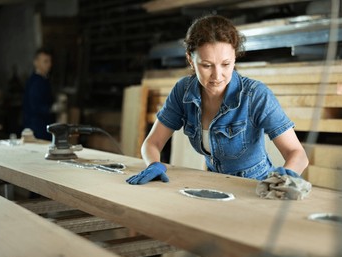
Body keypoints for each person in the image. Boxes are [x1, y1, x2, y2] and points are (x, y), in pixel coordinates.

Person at [127, 15, 309, 185]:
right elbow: (153, 143)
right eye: (206, 65)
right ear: (190, 60)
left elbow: (297, 154)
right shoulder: (183, 91)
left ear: (235, 57)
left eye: (226, 64)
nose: (217, 75)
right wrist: (154, 164)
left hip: (255, 187)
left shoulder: (256, 95)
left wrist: (284, 180)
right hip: (214, 184)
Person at [22, 47, 55, 140]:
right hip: (37, 128)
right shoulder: (36, 82)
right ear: (36, 62)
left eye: (50, 61)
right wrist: (52, 108)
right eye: (45, 61)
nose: (49, 65)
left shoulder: (44, 80)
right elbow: (35, 106)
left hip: (43, 127)